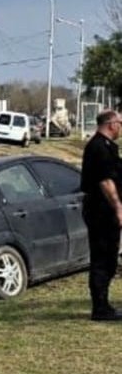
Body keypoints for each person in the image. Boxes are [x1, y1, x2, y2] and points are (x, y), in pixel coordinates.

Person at [80, 109, 122, 320]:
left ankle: (104, 304)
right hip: (100, 210)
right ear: (111, 124)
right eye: (120, 123)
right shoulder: (98, 147)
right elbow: (106, 182)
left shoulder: (107, 147)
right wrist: (118, 207)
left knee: (109, 258)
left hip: (105, 210)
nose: (121, 127)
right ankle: (100, 308)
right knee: (102, 258)